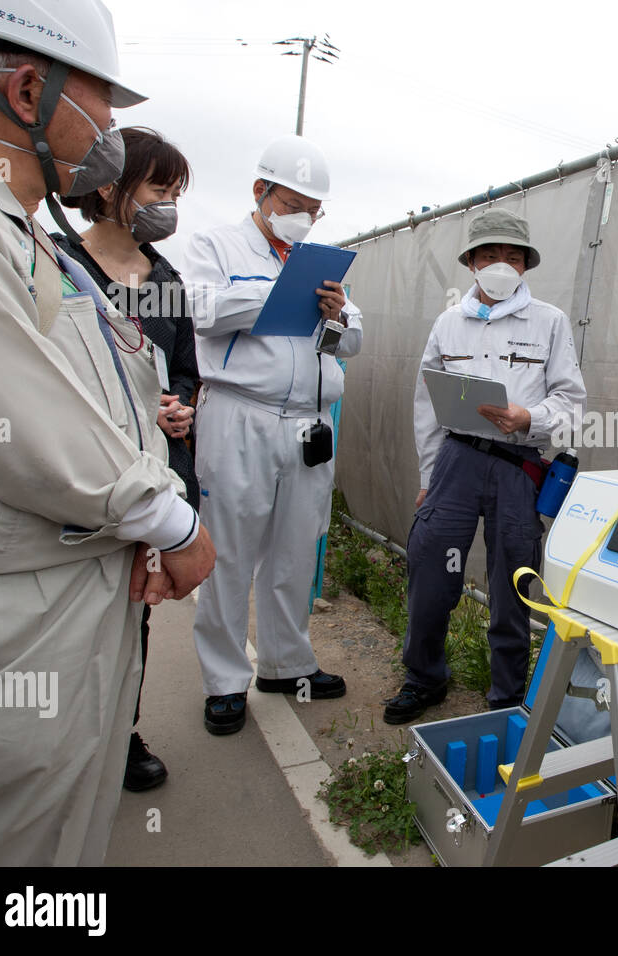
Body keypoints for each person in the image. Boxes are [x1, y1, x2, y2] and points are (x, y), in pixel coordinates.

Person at [0, 1, 215, 865]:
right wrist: (170, 519)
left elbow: (111, 378)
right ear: (30, 89)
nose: (109, 132)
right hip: (7, 618)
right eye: (104, 109)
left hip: (66, 582)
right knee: (13, 842)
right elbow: (19, 414)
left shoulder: (17, 226)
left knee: (66, 819)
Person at [185, 134, 362, 736]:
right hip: (241, 415)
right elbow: (203, 311)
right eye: (293, 202)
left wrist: (336, 314)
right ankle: (224, 681)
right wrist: (278, 294)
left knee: (295, 548)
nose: (304, 217)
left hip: (309, 422)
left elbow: (355, 340)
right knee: (229, 551)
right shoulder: (215, 244)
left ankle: (287, 664)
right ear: (260, 191)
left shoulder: (318, 260)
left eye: (314, 208)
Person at [383, 209, 587, 724]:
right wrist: (429, 478)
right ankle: (424, 677)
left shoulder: (550, 322)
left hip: (518, 465)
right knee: (431, 567)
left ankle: (505, 698)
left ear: (526, 266)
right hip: (456, 461)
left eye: (513, 257)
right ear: (471, 262)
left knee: (513, 579)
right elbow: (427, 405)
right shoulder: (449, 323)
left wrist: (530, 418)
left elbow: (571, 402)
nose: (501, 264)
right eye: (490, 255)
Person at [55, 126, 198, 792]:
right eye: (159, 188)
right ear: (110, 184)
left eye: (175, 193)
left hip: (150, 476)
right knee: (65, 616)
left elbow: (186, 371)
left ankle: (120, 733)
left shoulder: (165, 277)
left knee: (133, 610)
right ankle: (58, 744)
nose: (168, 204)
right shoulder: (55, 262)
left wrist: (183, 409)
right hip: (74, 478)